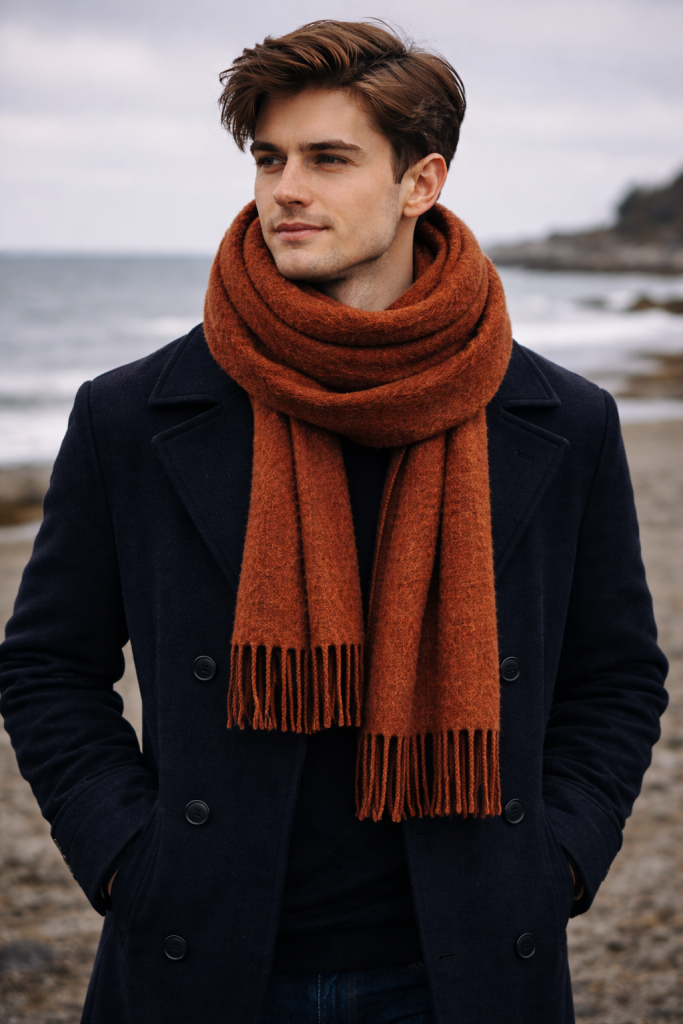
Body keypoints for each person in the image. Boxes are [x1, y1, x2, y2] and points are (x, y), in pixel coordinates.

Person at [0, 20, 668, 1024]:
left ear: (420, 181)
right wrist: (129, 860)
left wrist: (558, 862)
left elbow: (614, 677)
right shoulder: (130, 415)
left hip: (464, 961)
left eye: (327, 158)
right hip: (202, 951)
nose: (284, 189)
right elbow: (47, 665)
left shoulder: (562, 421)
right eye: (268, 157)